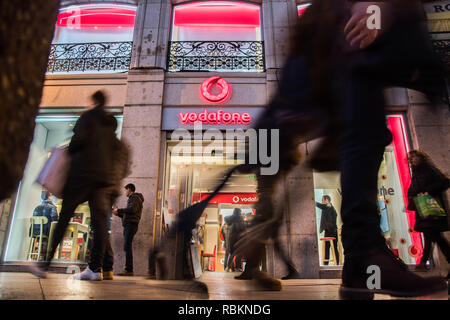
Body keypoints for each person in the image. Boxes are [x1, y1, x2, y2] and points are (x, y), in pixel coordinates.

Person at [29, 90, 119, 281]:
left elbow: (77, 142)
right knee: (100, 224)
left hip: (81, 175)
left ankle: (45, 264)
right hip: (102, 179)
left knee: (64, 219)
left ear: (94, 101)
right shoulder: (110, 126)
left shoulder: (88, 117)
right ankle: (95, 269)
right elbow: (115, 153)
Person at [407, 150, 450, 275]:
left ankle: (423, 261)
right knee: (433, 236)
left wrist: (428, 191)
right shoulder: (415, 173)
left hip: (431, 209)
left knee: (432, 235)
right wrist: (415, 195)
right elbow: (412, 190)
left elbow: (445, 182)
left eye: (415, 157)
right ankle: (423, 262)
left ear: (421, 157)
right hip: (424, 210)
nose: (413, 160)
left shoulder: (430, 170)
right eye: (411, 158)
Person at [112, 183, 144, 276]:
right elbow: (129, 213)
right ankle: (128, 269)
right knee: (127, 246)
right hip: (129, 224)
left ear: (129, 189)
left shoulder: (134, 198)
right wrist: (118, 214)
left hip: (131, 225)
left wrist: (119, 210)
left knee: (127, 246)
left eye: (126, 190)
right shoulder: (133, 199)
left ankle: (129, 270)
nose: (125, 192)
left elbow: (132, 210)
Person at [29, 191, 58, 257]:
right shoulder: (52, 207)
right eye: (51, 196)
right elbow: (55, 220)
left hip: (35, 231)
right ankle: (47, 255)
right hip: (46, 232)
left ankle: (38, 253)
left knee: (44, 237)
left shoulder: (37, 207)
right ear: (49, 197)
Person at [316, 195, 339, 265]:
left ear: (326, 200)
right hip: (330, 230)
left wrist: (312, 201)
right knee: (328, 248)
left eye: (322, 200)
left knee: (333, 248)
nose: (322, 202)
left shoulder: (328, 206)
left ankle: (334, 263)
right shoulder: (329, 207)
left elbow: (321, 205)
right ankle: (328, 263)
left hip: (331, 231)